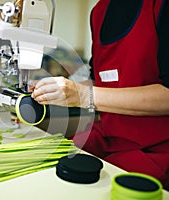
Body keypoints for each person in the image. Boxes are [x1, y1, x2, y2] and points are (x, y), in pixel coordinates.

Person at [30, 0, 169, 189]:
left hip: (156, 148)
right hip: (107, 137)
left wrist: (83, 95)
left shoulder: (159, 6)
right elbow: (100, 80)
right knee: (49, 167)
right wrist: (54, 90)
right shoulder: (99, 12)